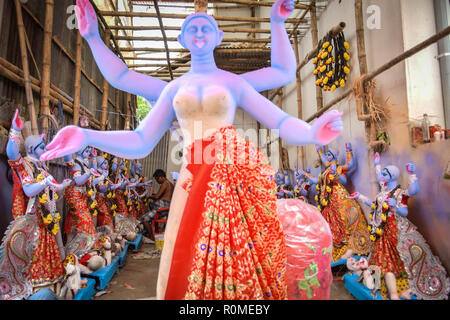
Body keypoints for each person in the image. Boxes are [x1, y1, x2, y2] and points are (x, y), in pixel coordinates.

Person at [40, 0, 344, 300]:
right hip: (191, 178)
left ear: (219, 37)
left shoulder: (234, 83)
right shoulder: (173, 89)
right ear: (182, 40)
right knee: (184, 252)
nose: (199, 32)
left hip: (228, 178)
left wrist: (312, 132)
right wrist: (86, 133)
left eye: (206, 27)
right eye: (192, 28)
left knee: (234, 256)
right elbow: (139, 135)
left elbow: (280, 107)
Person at [141, 169, 174, 242]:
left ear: (161, 177)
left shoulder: (165, 183)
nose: (157, 182)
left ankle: (151, 237)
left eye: (157, 179)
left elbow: (157, 197)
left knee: (144, 219)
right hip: (167, 208)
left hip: (162, 208)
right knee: (150, 205)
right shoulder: (170, 184)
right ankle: (152, 233)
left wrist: (149, 196)